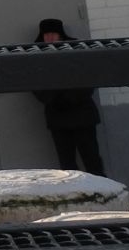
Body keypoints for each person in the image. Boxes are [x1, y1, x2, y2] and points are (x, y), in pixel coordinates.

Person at [33, 18, 107, 174]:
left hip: (79, 116)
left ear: (60, 35)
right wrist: (56, 100)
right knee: (68, 164)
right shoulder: (37, 56)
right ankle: (84, 194)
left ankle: (100, 193)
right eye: (47, 35)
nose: (50, 38)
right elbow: (35, 84)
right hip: (63, 116)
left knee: (91, 159)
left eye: (53, 34)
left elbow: (87, 80)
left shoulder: (76, 51)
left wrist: (64, 99)